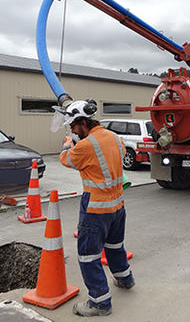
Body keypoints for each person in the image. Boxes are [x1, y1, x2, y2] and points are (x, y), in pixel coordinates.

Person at [59, 100, 135, 317]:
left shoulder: (84, 146)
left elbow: (67, 160)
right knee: (114, 246)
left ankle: (100, 302)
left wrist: (67, 145)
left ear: (83, 122)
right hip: (118, 206)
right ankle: (125, 279)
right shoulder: (114, 137)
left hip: (96, 209)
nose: (72, 130)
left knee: (88, 255)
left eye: (73, 126)